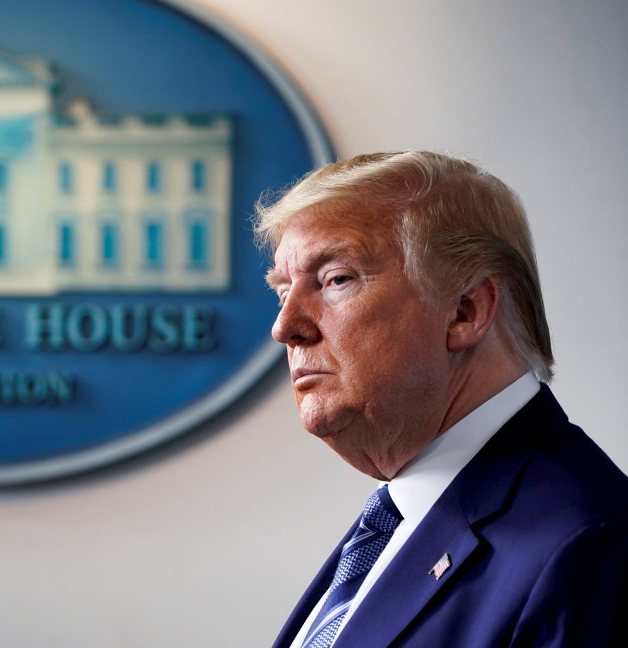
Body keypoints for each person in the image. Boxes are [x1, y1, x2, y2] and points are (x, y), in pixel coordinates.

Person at [254, 151, 628, 647]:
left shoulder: (589, 546)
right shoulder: (394, 521)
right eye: (283, 290)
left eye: (336, 279)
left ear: (465, 312)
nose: (286, 327)